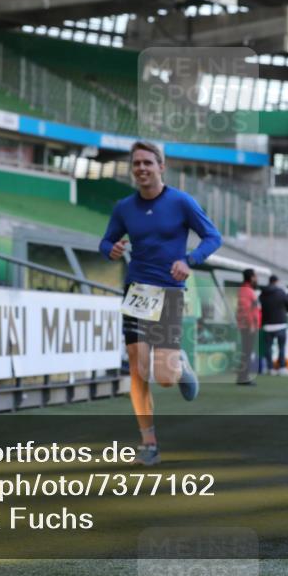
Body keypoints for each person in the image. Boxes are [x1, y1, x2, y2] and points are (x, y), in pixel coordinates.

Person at [100, 141, 222, 466]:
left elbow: (213, 236)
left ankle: (179, 366)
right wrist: (109, 250)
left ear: (161, 167)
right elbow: (106, 239)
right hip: (137, 293)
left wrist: (190, 260)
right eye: (136, 163)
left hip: (169, 291)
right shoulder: (124, 207)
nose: (141, 168)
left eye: (147, 163)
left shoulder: (181, 202)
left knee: (164, 377)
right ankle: (149, 442)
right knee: (138, 372)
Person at [260, 275, 288, 375]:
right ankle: (281, 368)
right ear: (276, 281)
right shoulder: (280, 292)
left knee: (268, 348)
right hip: (280, 324)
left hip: (267, 324)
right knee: (281, 347)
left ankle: (270, 368)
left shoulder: (262, 293)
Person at [235, 268, 260, 385]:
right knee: (246, 352)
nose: (257, 278)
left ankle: (243, 376)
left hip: (248, 326)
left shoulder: (247, 290)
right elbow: (246, 310)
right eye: (255, 276)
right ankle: (243, 377)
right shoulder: (246, 290)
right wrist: (251, 325)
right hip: (248, 327)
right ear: (251, 277)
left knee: (247, 351)